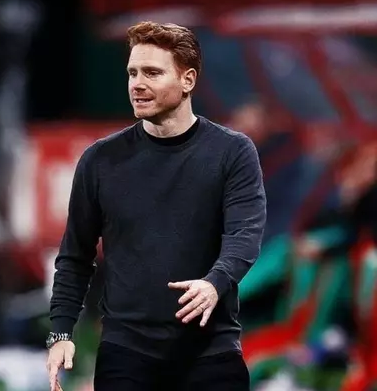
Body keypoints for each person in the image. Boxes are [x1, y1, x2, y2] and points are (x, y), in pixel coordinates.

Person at [46, 21, 267, 391]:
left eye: (152, 73)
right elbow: (74, 257)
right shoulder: (100, 160)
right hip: (126, 354)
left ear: (188, 80)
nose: (137, 83)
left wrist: (215, 283)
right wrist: (60, 333)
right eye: (132, 72)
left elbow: (245, 235)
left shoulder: (232, 152)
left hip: (210, 350)